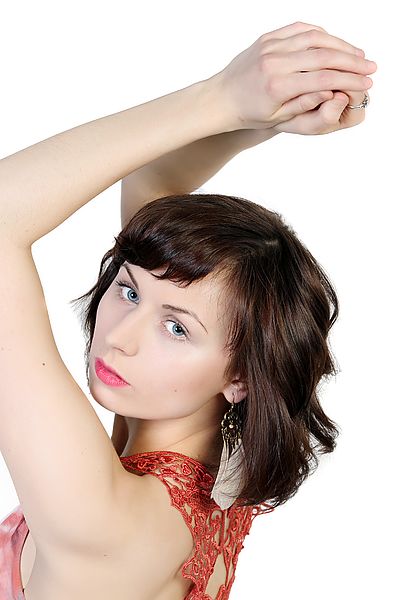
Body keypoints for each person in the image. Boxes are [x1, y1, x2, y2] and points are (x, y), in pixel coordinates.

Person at [0, 20, 376, 600]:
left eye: (177, 327)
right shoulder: (195, 480)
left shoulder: (106, 523)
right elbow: (158, 179)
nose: (120, 337)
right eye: (128, 291)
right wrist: (263, 116)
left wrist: (223, 96)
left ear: (241, 377)